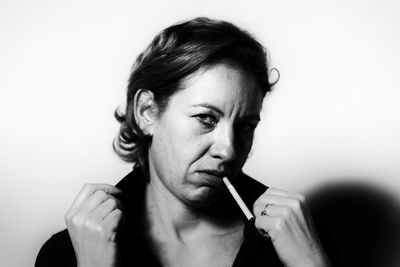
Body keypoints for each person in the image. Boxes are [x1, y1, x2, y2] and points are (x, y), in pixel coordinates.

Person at [35, 17, 332, 267]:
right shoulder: (70, 253)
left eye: (244, 126)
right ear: (147, 112)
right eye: (206, 118)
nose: (227, 150)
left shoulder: (299, 239)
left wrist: (311, 262)